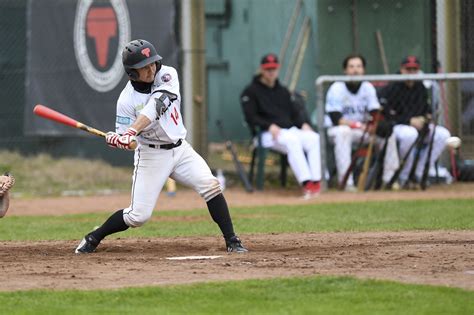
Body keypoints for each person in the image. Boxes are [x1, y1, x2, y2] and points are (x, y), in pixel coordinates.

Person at [75, 39, 247, 254]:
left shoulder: (167, 74)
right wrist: (120, 140)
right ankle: (94, 236)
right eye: (144, 67)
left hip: (180, 149)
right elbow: (132, 144)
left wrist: (131, 130)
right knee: (138, 216)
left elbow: (157, 105)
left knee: (211, 185)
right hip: (150, 156)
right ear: (132, 73)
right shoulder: (125, 101)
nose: (151, 69)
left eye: (152, 63)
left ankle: (232, 240)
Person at [240, 53, 322, 199]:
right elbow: (251, 118)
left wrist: (303, 124)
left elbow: (294, 113)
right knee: (292, 140)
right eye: (267, 69)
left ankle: (316, 182)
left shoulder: (282, 90)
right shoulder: (251, 91)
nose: (271, 72)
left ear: (278, 69)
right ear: (261, 70)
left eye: (274, 68)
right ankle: (306, 183)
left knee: (313, 137)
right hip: (265, 134)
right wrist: (269, 125)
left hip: (288, 130)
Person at [325, 53, 399, 190]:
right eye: (351, 66)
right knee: (344, 132)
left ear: (363, 70)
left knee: (389, 135)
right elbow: (337, 119)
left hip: (363, 131)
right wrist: (361, 126)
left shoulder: (367, 87)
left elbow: (375, 113)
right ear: (345, 71)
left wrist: (376, 125)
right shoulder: (337, 87)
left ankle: (389, 179)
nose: (355, 70)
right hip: (338, 130)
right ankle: (346, 182)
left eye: (359, 66)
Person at [379, 56, 451, 187]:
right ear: (402, 70)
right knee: (410, 134)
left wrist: (425, 119)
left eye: (414, 69)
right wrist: (409, 121)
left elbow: (427, 110)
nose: (411, 72)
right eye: (408, 69)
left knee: (442, 134)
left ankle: (420, 172)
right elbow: (387, 115)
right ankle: (404, 176)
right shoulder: (392, 87)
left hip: (419, 126)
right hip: (398, 127)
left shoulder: (420, 87)